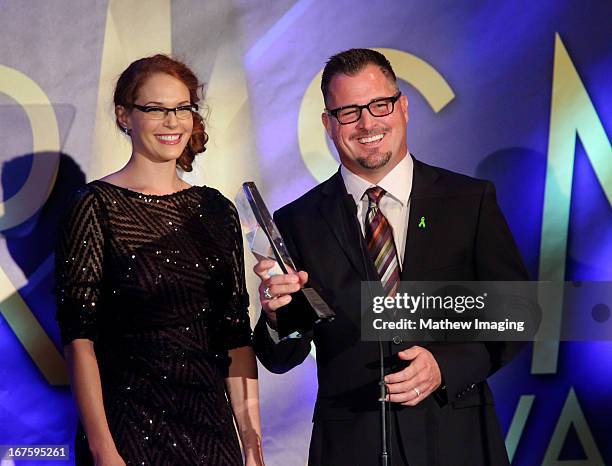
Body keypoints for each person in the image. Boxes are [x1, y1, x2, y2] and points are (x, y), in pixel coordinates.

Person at [252, 49, 529, 465]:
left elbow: (518, 313)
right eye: (348, 112)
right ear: (328, 124)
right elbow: (281, 356)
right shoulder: (297, 220)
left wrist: (445, 366)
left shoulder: (467, 200)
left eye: (379, 105)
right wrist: (277, 319)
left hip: (456, 438)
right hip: (349, 444)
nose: (367, 123)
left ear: (402, 108)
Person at [56, 55, 264, 466]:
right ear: (124, 115)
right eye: (156, 109)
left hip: (212, 434)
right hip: (129, 431)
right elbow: (79, 340)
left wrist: (253, 451)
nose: (173, 122)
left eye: (182, 108)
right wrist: (103, 451)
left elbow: (235, 338)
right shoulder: (95, 206)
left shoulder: (215, 209)